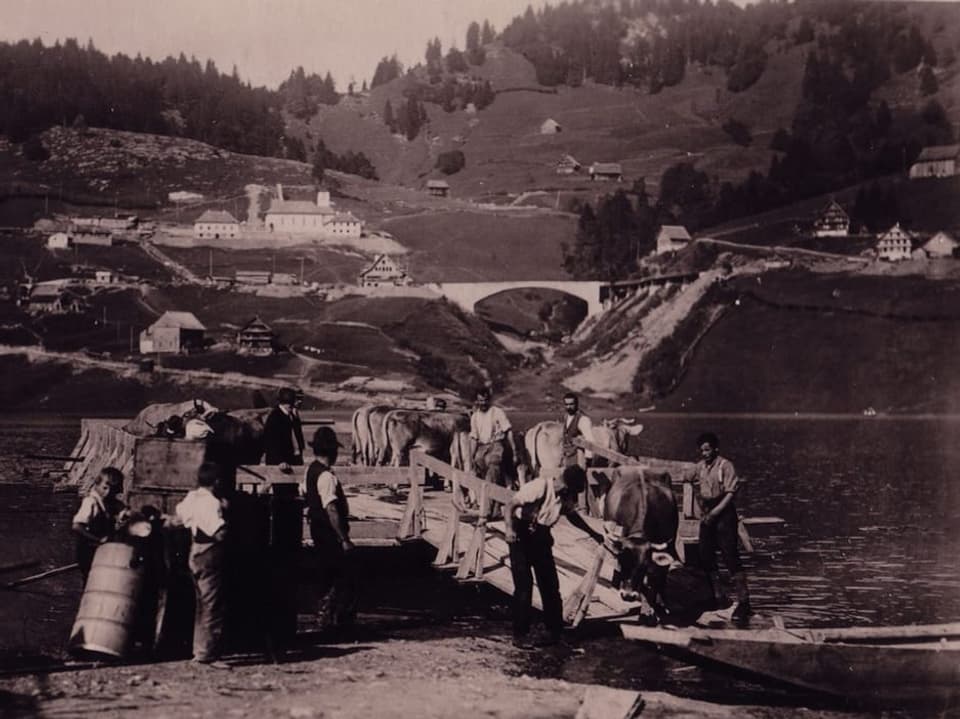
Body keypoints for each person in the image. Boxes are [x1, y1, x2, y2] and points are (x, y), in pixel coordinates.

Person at [503, 465, 604, 648]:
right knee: (524, 586)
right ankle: (520, 635)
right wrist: (509, 530)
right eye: (567, 490)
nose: (567, 494)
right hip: (521, 534)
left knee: (550, 585)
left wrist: (594, 533)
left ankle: (554, 631)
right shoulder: (539, 487)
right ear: (563, 484)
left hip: (541, 536)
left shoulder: (564, 496)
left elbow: (572, 516)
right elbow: (510, 505)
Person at [301, 426, 358, 635]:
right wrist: (343, 538)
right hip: (329, 532)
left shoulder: (310, 470)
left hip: (317, 529)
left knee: (326, 572)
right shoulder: (327, 477)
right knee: (341, 575)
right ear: (333, 452)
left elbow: (304, 493)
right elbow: (331, 508)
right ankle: (334, 619)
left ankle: (325, 616)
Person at [174, 461, 229, 666]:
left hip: (194, 551)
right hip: (209, 553)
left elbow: (180, 516)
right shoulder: (211, 503)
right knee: (212, 605)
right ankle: (208, 653)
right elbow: (219, 532)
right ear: (216, 481)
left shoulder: (192, 497)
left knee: (200, 604)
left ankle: (198, 649)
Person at [692, 432, 751, 622]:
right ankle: (718, 598)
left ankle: (744, 603)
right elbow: (692, 482)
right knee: (705, 555)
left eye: (708, 450)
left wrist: (714, 513)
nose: (704, 453)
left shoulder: (725, 466)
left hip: (724, 512)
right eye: (702, 450)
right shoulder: (700, 467)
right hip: (708, 511)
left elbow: (730, 494)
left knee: (730, 555)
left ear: (715, 449)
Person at [72, 467, 127, 583]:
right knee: (91, 580)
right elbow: (77, 526)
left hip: (103, 550)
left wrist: (126, 516)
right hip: (88, 549)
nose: (107, 493)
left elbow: (124, 511)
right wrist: (98, 540)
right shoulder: (91, 502)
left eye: (112, 491)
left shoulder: (112, 503)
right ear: (97, 485)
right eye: (104, 488)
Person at [469, 387, 519, 491]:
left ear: (489, 400)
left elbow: (508, 431)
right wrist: (471, 456)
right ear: (477, 401)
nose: (483, 403)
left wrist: (514, 451)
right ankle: (483, 493)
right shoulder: (475, 416)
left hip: (496, 444)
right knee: (478, 463)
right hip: (482, 446)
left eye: (485, 400)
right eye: (480, 401)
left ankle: (490, 494)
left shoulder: (497, 412)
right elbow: (474, 438)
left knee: (493, 463)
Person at [263, 387, 305, 469]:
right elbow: (270, 443)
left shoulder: (291, 416)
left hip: (293, 460)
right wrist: (280, 461)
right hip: (280, 464)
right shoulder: (274, 417)